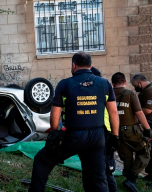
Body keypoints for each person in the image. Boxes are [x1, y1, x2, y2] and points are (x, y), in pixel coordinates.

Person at [28, 52, 119, 192]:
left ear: (73, 65)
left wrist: (54, 132)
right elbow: (113, 112)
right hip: (97, 138)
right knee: (98, 179)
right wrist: (114, 136)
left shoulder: (65, 84)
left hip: (74, 136)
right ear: (91, 66)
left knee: (42, 160)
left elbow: (55, 114)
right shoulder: (105, 83)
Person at [112, 72, 152, 192]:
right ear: (124, 82)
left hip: (116, 131)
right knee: (144, 152)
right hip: (131, 130)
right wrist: (148, 129)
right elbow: (140, 113)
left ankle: (128, 179)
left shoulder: (108, 94)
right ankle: (132, 179)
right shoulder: (130, 94)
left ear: (112, 83)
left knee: (127, 156)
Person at [91, 67, 118, 192]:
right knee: (103, 167)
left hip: (104, 132)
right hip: (104, 132)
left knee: (106, 169)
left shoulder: (101, 89)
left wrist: (114, 135)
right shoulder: (103, 89)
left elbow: (113, 113)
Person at [131, 74, 152, 179]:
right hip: (148, 123)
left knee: (147, 150)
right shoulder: (145, 91)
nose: (135, 88)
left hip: (150, 123)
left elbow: (148, 110)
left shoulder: (149, 91)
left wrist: (134, 109)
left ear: (140, 83)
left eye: (135, 85)